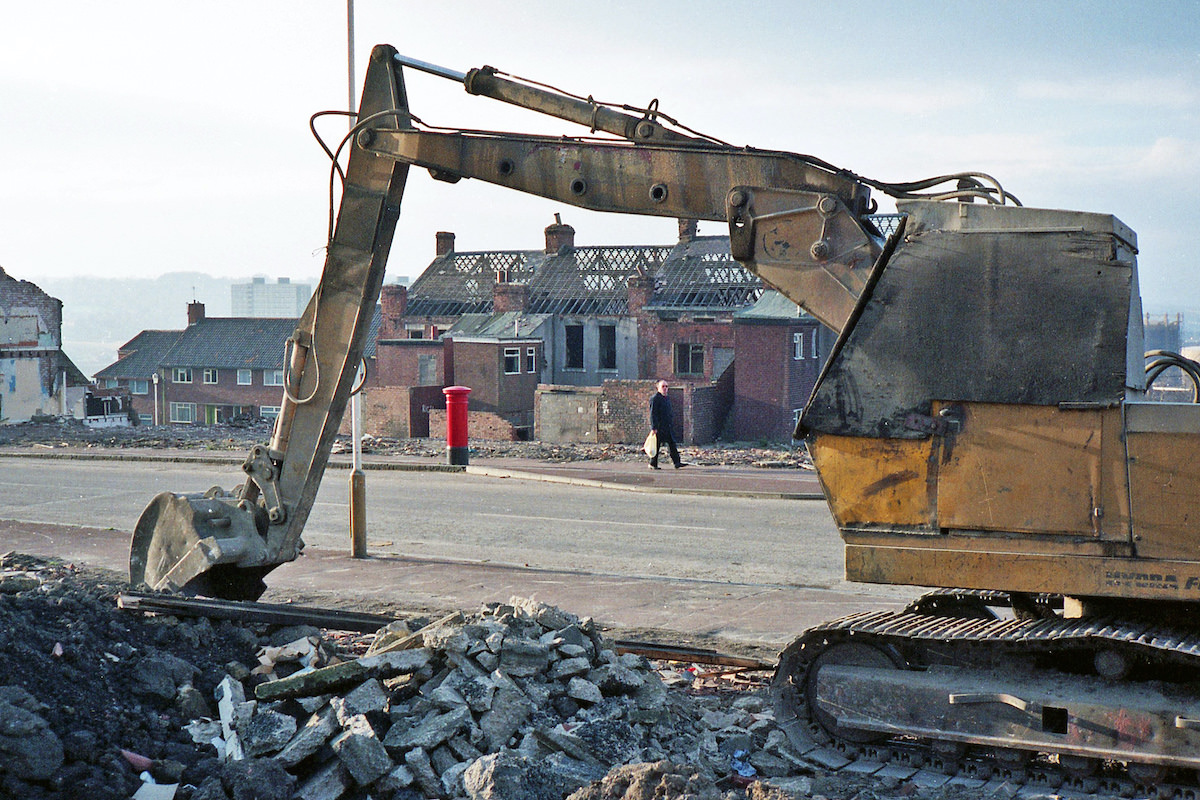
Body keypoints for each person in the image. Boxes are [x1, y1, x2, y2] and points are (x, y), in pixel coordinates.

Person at [648, 380, 686, 469]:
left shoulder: (666, 398)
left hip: (667, 426)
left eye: (666, 386)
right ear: (658, 388)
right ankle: (653, 463)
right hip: (659, 427)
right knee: (656, 446)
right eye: (663, 386)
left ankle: (677, 462)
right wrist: (654, 427)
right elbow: (653, 414)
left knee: (672, 444)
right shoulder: (655, 398)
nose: (665, 388)